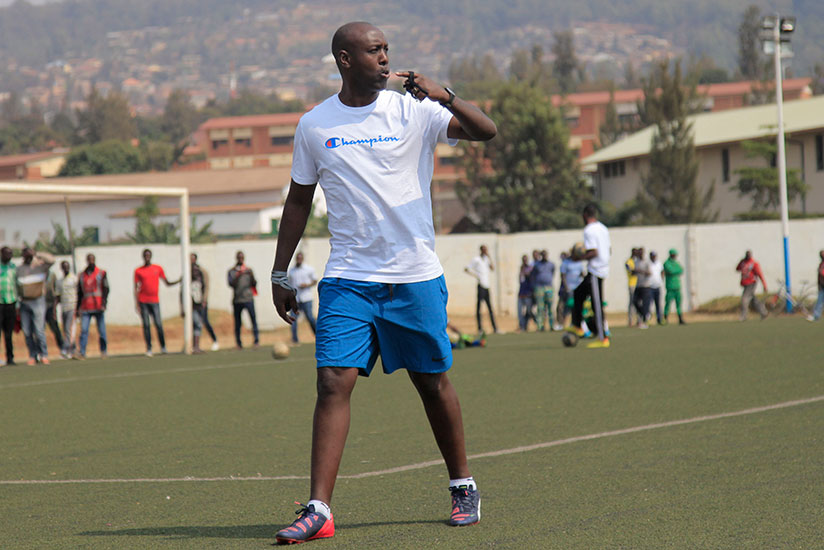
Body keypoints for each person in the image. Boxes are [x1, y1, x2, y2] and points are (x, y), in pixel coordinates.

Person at [269, 21, 496, 544]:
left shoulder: (413, 108)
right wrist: (281, 272)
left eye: (387, 49)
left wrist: (447, 95)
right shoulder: (314, 124)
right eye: (374, 51)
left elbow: (486, 132)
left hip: (414, 276)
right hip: (349, 278)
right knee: (332, 382)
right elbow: (298, 200)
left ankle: (463, 484)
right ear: (345, 60)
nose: (386, 58)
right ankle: (319, 510)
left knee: (432, 382)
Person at [568, 204, 611, 348]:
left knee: (596, 305)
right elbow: (608, 249)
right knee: (578, 293)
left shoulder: (589, 230)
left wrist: (578, 257)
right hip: (601, 268)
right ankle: (577, 325)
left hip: (596, 271)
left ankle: (603, 338)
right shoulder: (603, 228)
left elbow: (594, 252)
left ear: (585, 215)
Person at [134, 248, 178, 356]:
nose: (147, 257)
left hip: (154, 301)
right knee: (146, 325)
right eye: (145, 256)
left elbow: (166, 282)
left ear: (151, 256)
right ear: (143, 257)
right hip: (143, 301)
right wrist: (137, 303)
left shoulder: (157, 268)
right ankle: (149, 348)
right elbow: (136, 288)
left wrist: (179, 281)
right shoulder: (138, 271)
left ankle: (163, 347)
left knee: (158, 324)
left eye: (148, 255)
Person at [15, 247, 54, 365]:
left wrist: (37, 253)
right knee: (27, 331)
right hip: (24, 302)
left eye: (29, 254)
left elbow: (52, 260)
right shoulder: (19, 269)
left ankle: (44, 354)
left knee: (39, 330)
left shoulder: (40, 267)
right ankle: (33, 355)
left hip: (38, 301)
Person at [77, 254, 109, 359]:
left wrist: (104, 303)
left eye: (92, 260)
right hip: (86, 307)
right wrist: (78, 308)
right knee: (84, 330)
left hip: (98, 306)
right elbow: (79, 293)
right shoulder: (82, 275)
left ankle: (104, 351)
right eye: (89, 260)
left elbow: (106, 289)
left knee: (102, 331)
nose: (91, 262)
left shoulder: (101, 273)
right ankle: (82, 352)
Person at [228, 250, 259, 349]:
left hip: (248, 298)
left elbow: (254, 283)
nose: (240, 259)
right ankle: (238, 343)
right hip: (237, 300)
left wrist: (250, 275)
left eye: (242, 258)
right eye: (239, 258)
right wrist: (239, 275)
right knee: (238, 323)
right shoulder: (232, 271)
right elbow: (231, 284)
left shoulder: (249, 270)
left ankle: (256, 341)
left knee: (253, 320)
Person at [465, 244, 498, 334]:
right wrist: (476, 276)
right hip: (480, 286)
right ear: (481, 250)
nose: (486, 251)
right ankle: (480, 328)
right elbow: (466, 269)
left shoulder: (486, 259)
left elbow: (492, 268)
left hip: (487, 286)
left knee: (490, 308)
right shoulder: (476, 259)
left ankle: (495, 328)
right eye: (484, 250)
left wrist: (490, 257)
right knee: (479, 308)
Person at [186, 253, 215, 354]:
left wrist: (204, 299)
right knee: (196, 323)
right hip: (191, 304)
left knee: (202, 322)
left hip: (200, 303)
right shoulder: (186, 272)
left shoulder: (201, 272)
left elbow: (206, 286)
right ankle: (194, 346)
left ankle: (202, 344)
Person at [287, 252, 318, 343]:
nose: (299, 260)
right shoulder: (291, 271)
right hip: (295, 299)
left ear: (303, 259)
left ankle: (318, 335)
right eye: (297, 258)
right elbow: (289, 283)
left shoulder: (308, 269)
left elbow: (315, 280)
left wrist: (307, 285)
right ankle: (294, 339)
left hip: (306, 298)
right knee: (293, 319)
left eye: (300, 258)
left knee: (310, 318)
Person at [55, 261, 78, 358]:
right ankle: (72, 349)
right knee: (65, 329)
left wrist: (78, 307)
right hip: (63, 307)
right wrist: (54, 309)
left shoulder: (74, 279)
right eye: (64, 267)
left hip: (72, 306)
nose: (66, 269)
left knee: (69, 328)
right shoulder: (59, 281)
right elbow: (57, 296)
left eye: (67, 267)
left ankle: (67, 349)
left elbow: (79, 293)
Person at [736, 250, 768, 321]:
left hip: (752, 283)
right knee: (753, 300)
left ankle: (743, 316)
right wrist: (741, 262)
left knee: (744, 299)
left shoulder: (754, 263)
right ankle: (763, 312)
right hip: (745, 283)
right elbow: (737, 269)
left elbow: (760, 274)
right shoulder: (743, 262)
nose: (748, 256)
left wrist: (764, 285)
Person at [529, 249, 555, 331]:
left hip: (549, 287)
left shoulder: (551, 265)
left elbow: (552, 273)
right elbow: (532, 276)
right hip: (539, 288)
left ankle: (552, 325)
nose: (544, 256)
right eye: (543, 255)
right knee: (540, 308)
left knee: (550, 307)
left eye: (545, 254)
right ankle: (540, 326)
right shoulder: (537, 265)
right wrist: (534, 287)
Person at [0, 246, 17, 366]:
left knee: (8, 333)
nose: (9, 256)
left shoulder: (13, 267)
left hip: (11, 303)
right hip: (0, 303)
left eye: (10, 254)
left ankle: (10, 358)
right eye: (7, 254)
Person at [663, 248, 686, 325]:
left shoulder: (676, 263)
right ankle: (665, 318)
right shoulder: (666, 263)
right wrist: (675, 271)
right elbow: (671, 271)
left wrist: (675, 271)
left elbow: (681, 270)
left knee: (679, 304)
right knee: (668, 303)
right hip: (670, 287)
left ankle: (680, 318)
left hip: (677, 287)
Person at [44, 270, 65, 353]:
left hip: (50, 306)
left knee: (54, 328)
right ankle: (40, 352)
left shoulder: (52, 275)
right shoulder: (37, 274)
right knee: (39, 330)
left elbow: (56, 291)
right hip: (39, 306)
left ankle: (62, 348)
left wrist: (54, 305)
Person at [517, 254, 534, 332]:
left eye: (525, 260)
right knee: (520, 312)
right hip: (521, 294)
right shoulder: (521, 269)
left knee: (529, 311)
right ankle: (522, 326)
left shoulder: (530, 269)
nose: (524, 261)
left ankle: (537, 323)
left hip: (528, 294)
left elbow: (530, 278)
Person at [807, 250, 824, 322]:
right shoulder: (821, 264)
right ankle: (816, 316)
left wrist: (821, 272)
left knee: (820, 301)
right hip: (822, 285)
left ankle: (816, 315)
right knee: (819, 301)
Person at [648, 251, 664, 325]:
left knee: (658, 304)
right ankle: (647, 318)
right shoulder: (648, 264)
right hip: (650, 286)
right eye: (652, 256)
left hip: (658, 286)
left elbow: (662, 272)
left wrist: (662, 279)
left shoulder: (659, 263)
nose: (654, 257)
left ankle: (659, 318)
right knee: (649, 304)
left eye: (654, 256)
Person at [625, 248, 639, 326]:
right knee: (632, 303)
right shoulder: (628, 262)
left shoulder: (638, 261)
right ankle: (630, 321)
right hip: (632, 284)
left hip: (639, 285)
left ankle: (639, 320)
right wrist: (640, 270)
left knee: (639, 303)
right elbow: (632, 271)